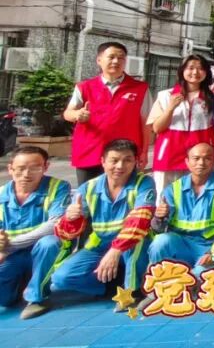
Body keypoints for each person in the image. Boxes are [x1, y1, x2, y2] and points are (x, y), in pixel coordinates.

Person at [51, 140, 154, 309]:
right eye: (114, 160)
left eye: (127, 160)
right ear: (103, 162)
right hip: (99, 245)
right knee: (61, 278)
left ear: (135, 162)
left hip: (132, 243)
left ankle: (132, 292)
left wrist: (115, 251)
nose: (120, 166)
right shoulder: (88, 188)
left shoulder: (144, 183)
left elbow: (140, 221)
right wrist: (70, 218)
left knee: (138, 240)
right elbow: (66, 233)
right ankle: (110, 288)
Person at [146, 143, 214, 284]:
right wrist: (159, 218)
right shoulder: (174, 189)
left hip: (209, 247)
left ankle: (184, 283)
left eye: (207, 158)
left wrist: (212, 251)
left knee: (200, 276)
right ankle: (160, 284)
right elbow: (158, 229)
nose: (201, 163)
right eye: (196, 158)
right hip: (180, 244)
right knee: (160, 242)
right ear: (187, 162)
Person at [64, 42, 152, 185]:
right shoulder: (85, 87)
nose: (116, 61)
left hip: (124, 155)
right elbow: (68, 113)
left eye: (121, 58)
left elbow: (146, 122)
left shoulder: (140, 88)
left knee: (124, 193)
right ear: (99, 60)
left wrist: (144, 152)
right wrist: (77, 114)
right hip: (89, 152)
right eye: (111, 57)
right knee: (89, 194)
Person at [0, 146, 71, 319]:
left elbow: (54, 224)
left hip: (42, 251)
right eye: (20, 168)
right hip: (14, 256)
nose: (26, 174)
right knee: (5, 300)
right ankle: (20, 284)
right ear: (10, 169)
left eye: (35, 168)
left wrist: (9, 245)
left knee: (49, 242)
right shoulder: (1, 194)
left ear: (46, 167)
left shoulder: (58, 187)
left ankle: (37, 298)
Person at [148, 55, 214, 195]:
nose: (195, 72)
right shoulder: (165, 95)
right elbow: (157, 128)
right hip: (169, 154)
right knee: (165, 196)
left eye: (200, 68)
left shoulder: (213, 98)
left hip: (199, 156)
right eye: (190, 68)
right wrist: (170, 108)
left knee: (198, 194)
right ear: (182, 71)